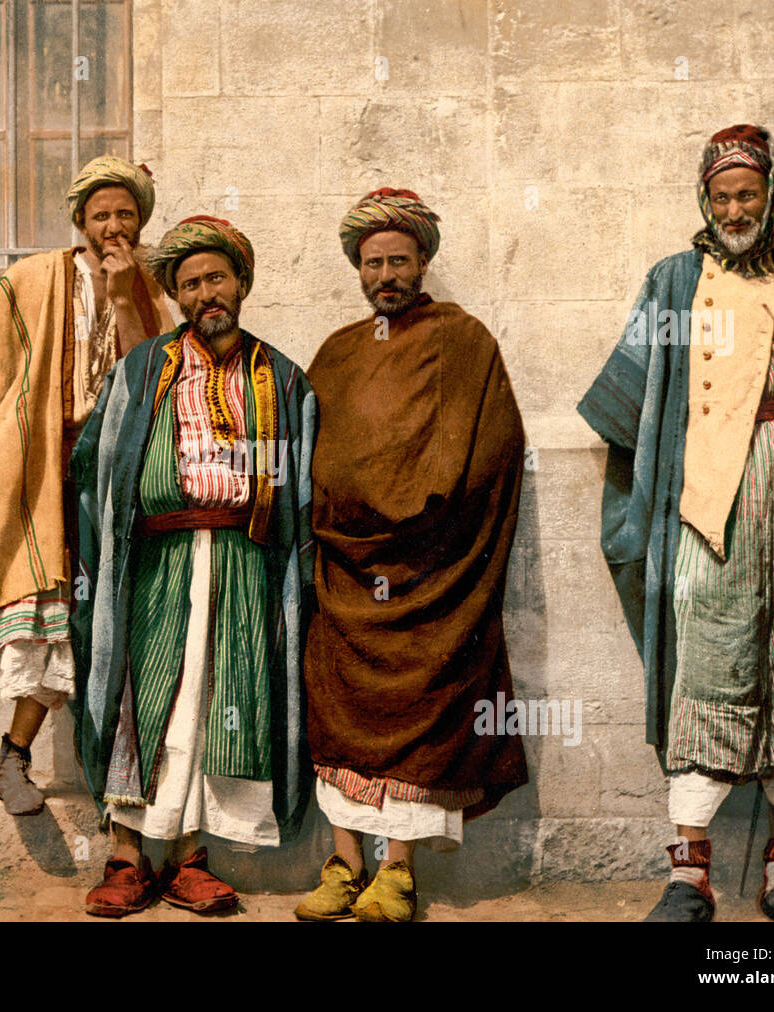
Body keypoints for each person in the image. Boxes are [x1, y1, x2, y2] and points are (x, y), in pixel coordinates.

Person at [578, 125, 774, 922]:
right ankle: (688, 879)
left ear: (771, 195)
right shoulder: (676, 282)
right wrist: (650, 481)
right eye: (722, 196)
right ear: (704, 202)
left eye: (748, 194)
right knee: (706, 673)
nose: (735, 208)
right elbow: (627, 402)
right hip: (711, 500)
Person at [70, 215, 316, 917]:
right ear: (175, 295)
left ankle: (189, 858)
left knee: (217, 701)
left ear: (241, 282)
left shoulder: (286, 379)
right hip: (157, 560)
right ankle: (125, 853)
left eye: (217, 277)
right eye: (190, 283)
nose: (206, 292)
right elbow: (94, 463)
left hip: (244, 560)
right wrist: (106, 547)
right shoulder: (143, 368)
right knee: (139, 699)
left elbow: (299, 484)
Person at [295, 189, 529, 923]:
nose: (386, 273)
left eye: (399, 259)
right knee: (336, 705)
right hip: (345, 569)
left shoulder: (465, 342)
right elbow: (304, 453)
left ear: (423, 260)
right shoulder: (336, 352)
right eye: (373, 263)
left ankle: (398, 872)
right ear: (357, 271)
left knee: (423, 710)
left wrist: (433, 530)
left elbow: (495, 448)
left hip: (432, 573)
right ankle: (343, 862)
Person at [0, 156, 174, 816]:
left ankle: (126, 784)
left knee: (122, 624)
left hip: (122, 475)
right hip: (47, 471)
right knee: (50, 622)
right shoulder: (40, 276)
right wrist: (0, 415)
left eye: (126, 213)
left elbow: (147, 376)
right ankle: (13, 761)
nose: (114, 225)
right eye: (101, 214)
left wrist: (125, 296)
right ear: (81, 222)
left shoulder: (152, 288)